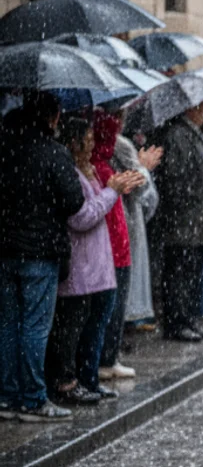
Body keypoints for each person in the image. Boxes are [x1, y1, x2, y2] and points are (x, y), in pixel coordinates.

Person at [0, 94, 85, 422]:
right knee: (35, 327)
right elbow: (74, 200)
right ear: (53, 118)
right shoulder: (54, 152)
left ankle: (7, 396)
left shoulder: (7, 149)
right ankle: (34, 398)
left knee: (8, 324)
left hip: (6, 249)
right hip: (39, 252)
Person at [46, 118, 143, 405]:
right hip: (81, 267)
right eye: (86, 139)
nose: (92, 145)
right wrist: (112, 190)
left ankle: (88, 379)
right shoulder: (73, 173)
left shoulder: (90, 171)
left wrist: (114, 187)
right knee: (73, 330)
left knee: (93, 325)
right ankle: (68, 382)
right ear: (74, 142)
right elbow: (83, 216)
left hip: (97, 266)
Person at [148, 100, 203, 342]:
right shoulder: (179, 135)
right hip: (183, 222)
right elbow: (175, 178)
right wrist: (188, 201)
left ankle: (187, 319)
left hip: (196, 222)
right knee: (178, 274)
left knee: (190, 274)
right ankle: (176, 323)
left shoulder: (194, 135)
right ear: (192, 108)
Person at [90, 111, 136, 381]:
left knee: (111, 308)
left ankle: (107, 357)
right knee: (107, 309)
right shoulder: (99, 168)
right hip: (110, 249)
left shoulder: (101, 165)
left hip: (116, 247)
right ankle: (103, 359)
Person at [115, 131, 160, 331]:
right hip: (125, 218)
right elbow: (140, 184)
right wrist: (144, 168)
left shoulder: (118, 142)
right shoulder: (120, 144)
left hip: (126, 217)